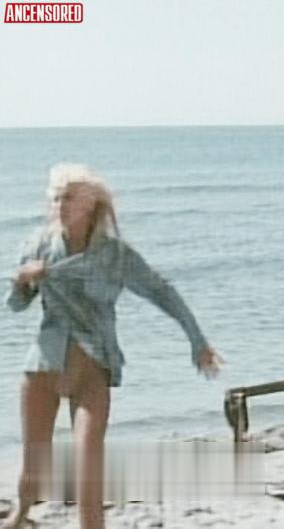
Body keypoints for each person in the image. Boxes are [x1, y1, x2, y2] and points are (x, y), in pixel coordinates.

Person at [2, 164, 223, 529]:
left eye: (68, 197)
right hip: (42, 366)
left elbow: (162, 292)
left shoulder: (116, 256)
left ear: (90, 204)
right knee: (34, 466)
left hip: (93, 369)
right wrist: (22, 279)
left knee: (89, 468)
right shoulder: (37, 245)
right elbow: (16, 304)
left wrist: (198, 342)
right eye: (55, 198)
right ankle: (20, 514)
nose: (59, 205)